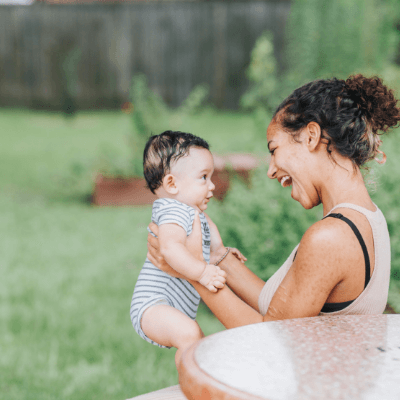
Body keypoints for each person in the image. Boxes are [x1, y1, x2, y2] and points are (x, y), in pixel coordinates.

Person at [133, 75, 400, 399]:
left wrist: (189, 273)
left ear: (311, 136)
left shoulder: (330, 238)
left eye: (275, 150)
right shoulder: (368, 218)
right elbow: (280, 310)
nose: (271, 169)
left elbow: (269, 335)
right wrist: (216, 257)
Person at [130, 131, 245, 369]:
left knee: (197, 342)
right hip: (153, 304)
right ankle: (192, 387)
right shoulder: (173, 211)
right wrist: (203, 273)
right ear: (172, 183)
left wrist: (222, 252)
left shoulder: (191, 212)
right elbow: (170, 249)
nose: (212, 186)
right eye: (203, 177)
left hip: (169, 303)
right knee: (190, 336)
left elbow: (210, 242)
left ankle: (193, 386)